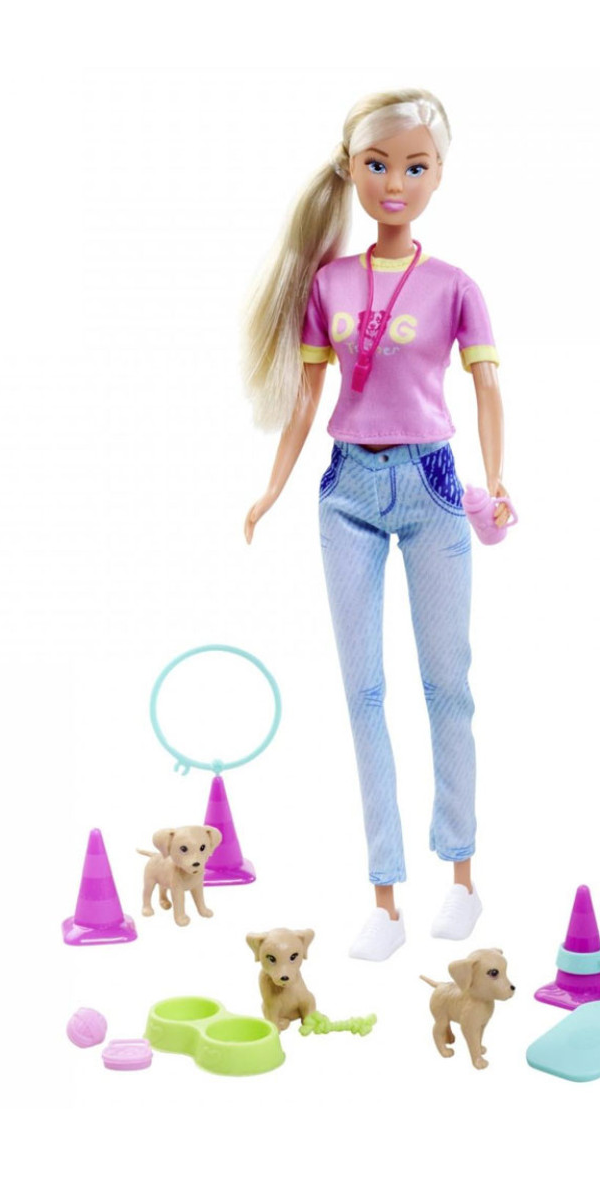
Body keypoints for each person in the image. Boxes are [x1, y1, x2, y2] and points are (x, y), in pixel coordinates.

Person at [243, 89, 511, 960]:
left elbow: (488, 386)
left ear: (439, 175)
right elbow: (306, 397)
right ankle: (385, 896)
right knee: (362, 692)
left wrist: (496, 478)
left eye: (415, 167)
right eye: (378, 165)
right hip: (348, 490)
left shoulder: (455, 286)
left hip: (433, 484)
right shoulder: (328, 283)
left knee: (447, 683)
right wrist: (273, 487)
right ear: (351, 170)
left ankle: (461, 877)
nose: (396, 183)